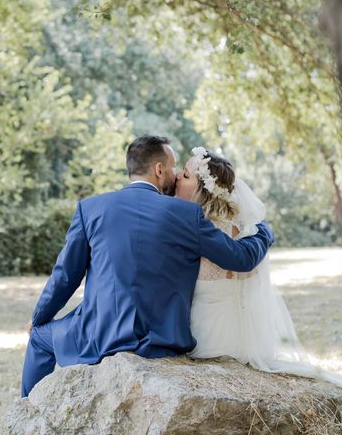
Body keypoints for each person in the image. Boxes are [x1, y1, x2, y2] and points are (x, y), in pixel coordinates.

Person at [20, 135, 275, 397]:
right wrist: (262, 229)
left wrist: (38, 317)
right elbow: (241, 259)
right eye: (174, 168)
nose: (176, 176)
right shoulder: (186, 214)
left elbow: (65, 277)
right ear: (159, 170)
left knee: (39, 338)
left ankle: (26, 415)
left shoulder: (91, 208)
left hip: (99, 336)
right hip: (162, 339)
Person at [175, 146, 342, 399]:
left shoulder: (201, 227)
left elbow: (239, 262)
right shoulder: (237, 224)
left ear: (204, 188)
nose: (179, 176)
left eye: (186, 175)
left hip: (209, 335)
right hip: (236, 333)